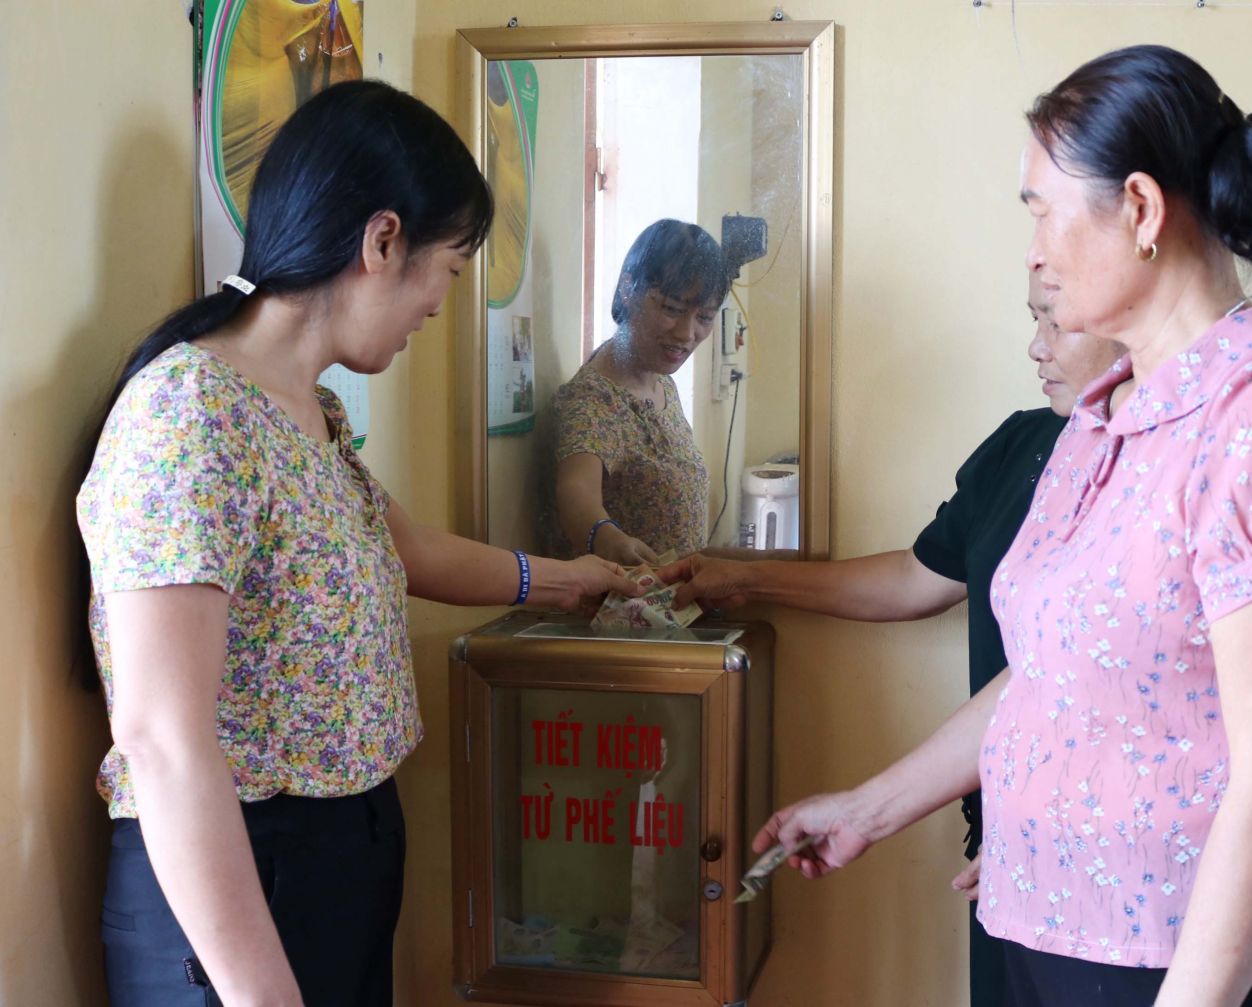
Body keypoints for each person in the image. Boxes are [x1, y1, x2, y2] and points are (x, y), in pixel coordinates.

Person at [746, 45, 1252, 1007]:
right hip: (1040, 923)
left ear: (1139, 208)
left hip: (1169, 964)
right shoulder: (1101, 420)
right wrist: (870, 809)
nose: (1033, 247)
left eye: (1041, 207)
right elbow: (1052, 673)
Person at [76, 80, 639, 1007]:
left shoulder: (311, 411)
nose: (439, 305)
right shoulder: (191, 415)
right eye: (449, 271)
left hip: (332, 856)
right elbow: (163, 739)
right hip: (234, 878)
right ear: (382, 241)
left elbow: (397, 545)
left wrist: (562, 581)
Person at [659, 269, 1123, 1007]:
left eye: (1056, 324)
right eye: (1033, 318)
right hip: (1007, 846)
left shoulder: (1162, 477)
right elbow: (918, 579)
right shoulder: (1025, 448)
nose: (1035, 348)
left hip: (1115, 873)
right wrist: (745, 580)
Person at [553, 219, 730, 566]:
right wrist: (608, 539)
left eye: (705, 317)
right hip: (625, 609)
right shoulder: (594, 399)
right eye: (672, 309)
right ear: (627, 288)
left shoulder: (662, 382)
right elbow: (576, 490)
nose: (686, 333)